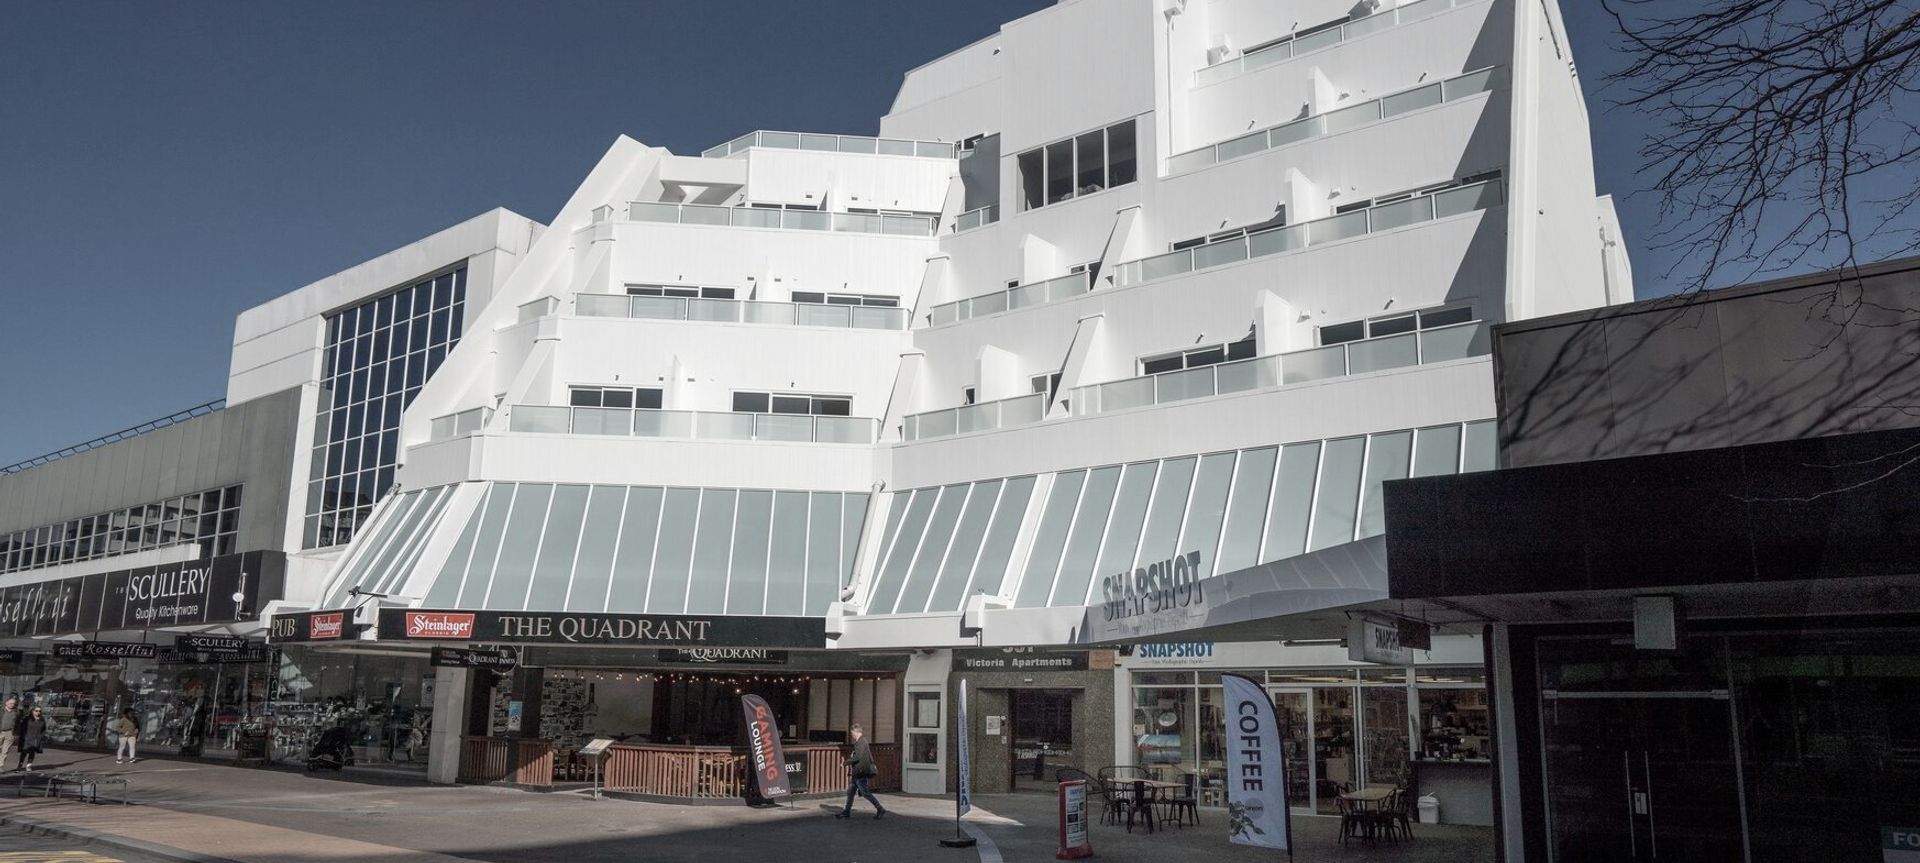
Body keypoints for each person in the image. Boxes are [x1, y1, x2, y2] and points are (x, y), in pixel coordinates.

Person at [835, 723, 887, 820]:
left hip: (860, 772)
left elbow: (857, 757)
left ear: (856, 731)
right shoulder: (862, 742)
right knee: (850, 792)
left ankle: (880, 808)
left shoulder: (861, 742)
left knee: (865, 792)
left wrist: (845, 763)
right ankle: (847, 811)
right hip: (858, 773)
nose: (852, 735)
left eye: (852, 733)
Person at [17, 706, 46, 772]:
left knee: (32, 753)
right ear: (32, 711)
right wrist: (23, 737)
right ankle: (20, 765)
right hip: (27, 738)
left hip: (36, 739)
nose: (38, 712)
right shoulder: (27, 719)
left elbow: (44, 729)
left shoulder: (42, 719)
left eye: (39, 711)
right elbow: (22, 728)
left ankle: (28, 766)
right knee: (24, 752)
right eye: (36, 711)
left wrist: (41, 736)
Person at [0, 698, 18, 772]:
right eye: (10, 703)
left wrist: (15, 734)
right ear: (6, 703)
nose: (12, 705)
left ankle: (1, 765)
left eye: (13, 703)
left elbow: (18, 724)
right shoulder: (1, 711)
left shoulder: (16, 713)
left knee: (5, 751)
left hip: (10, 733)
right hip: (1, 732)